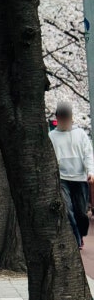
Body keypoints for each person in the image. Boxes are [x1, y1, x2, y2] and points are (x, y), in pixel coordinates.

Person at [49, 102, 94, 249]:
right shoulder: (52, 136)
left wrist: (90, 171)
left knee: (81, 212)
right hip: (62, 179)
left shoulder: (80, 134)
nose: (64, 122)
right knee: (68, 210)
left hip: (80, 177)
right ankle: (76, 239)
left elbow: (88, 154)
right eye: (62, 119)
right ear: (57, 119)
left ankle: (81, 233)